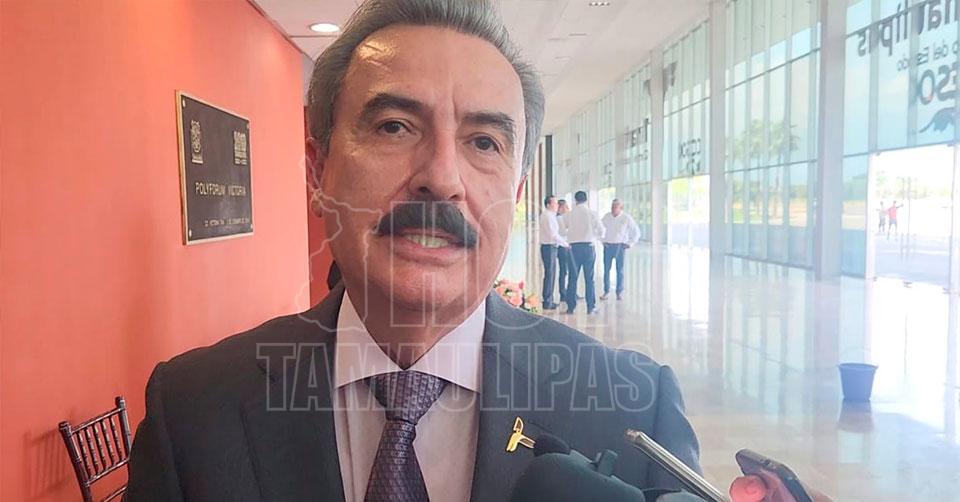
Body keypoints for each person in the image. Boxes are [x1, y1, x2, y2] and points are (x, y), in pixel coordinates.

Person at [123, 1, 708, 501]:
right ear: (319, 172)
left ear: (516, 194)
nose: (442, 177)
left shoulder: (631, 408)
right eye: (394, 127)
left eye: (484, 142)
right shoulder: (194, 411)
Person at [562, 190, 605, 314]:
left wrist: (570, 236)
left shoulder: (569, 214)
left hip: (573, 248)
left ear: (575, 200)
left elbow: (562, 229)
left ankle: (571, 307)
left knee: (572, 277)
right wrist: (594, 236)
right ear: (586, 200)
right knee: (589, 278)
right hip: (588, 247)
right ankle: (590, 307)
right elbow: (601, 231)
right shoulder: (592, 213)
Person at [600, 199, 640, 301]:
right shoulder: (606, 217)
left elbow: (636, 232)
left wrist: (630, 243)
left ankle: (619, 292)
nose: (613, 209)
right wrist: (602, 241)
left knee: (620, 270)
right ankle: (606, 291)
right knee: (606, 270)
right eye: (612, 206)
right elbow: (599, 229)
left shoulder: (626, 218)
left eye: (615, 207)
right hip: (608, 246)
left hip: (620, 246)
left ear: (621, 208)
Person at [538, 195, 567, 310]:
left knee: (551, 274)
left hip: (551, 247)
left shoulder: (550, 215)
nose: (557, 205)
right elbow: (553, 234)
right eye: (555, 203)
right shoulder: (547, 216)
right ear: (548, 205)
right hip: (549, 247)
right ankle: (547, 301)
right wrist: (565, 243)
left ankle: (549, 299)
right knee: (550, 274)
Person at [556, 199, 573, 304]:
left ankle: (568, 291)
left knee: (566, 270)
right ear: (561, 208)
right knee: (564, 271)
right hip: (563, 247)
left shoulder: (562, 218)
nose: (568, 209)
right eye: (566, 207)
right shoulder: (559, 218)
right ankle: (563, 293)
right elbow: (563, 232)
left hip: (564, 245)